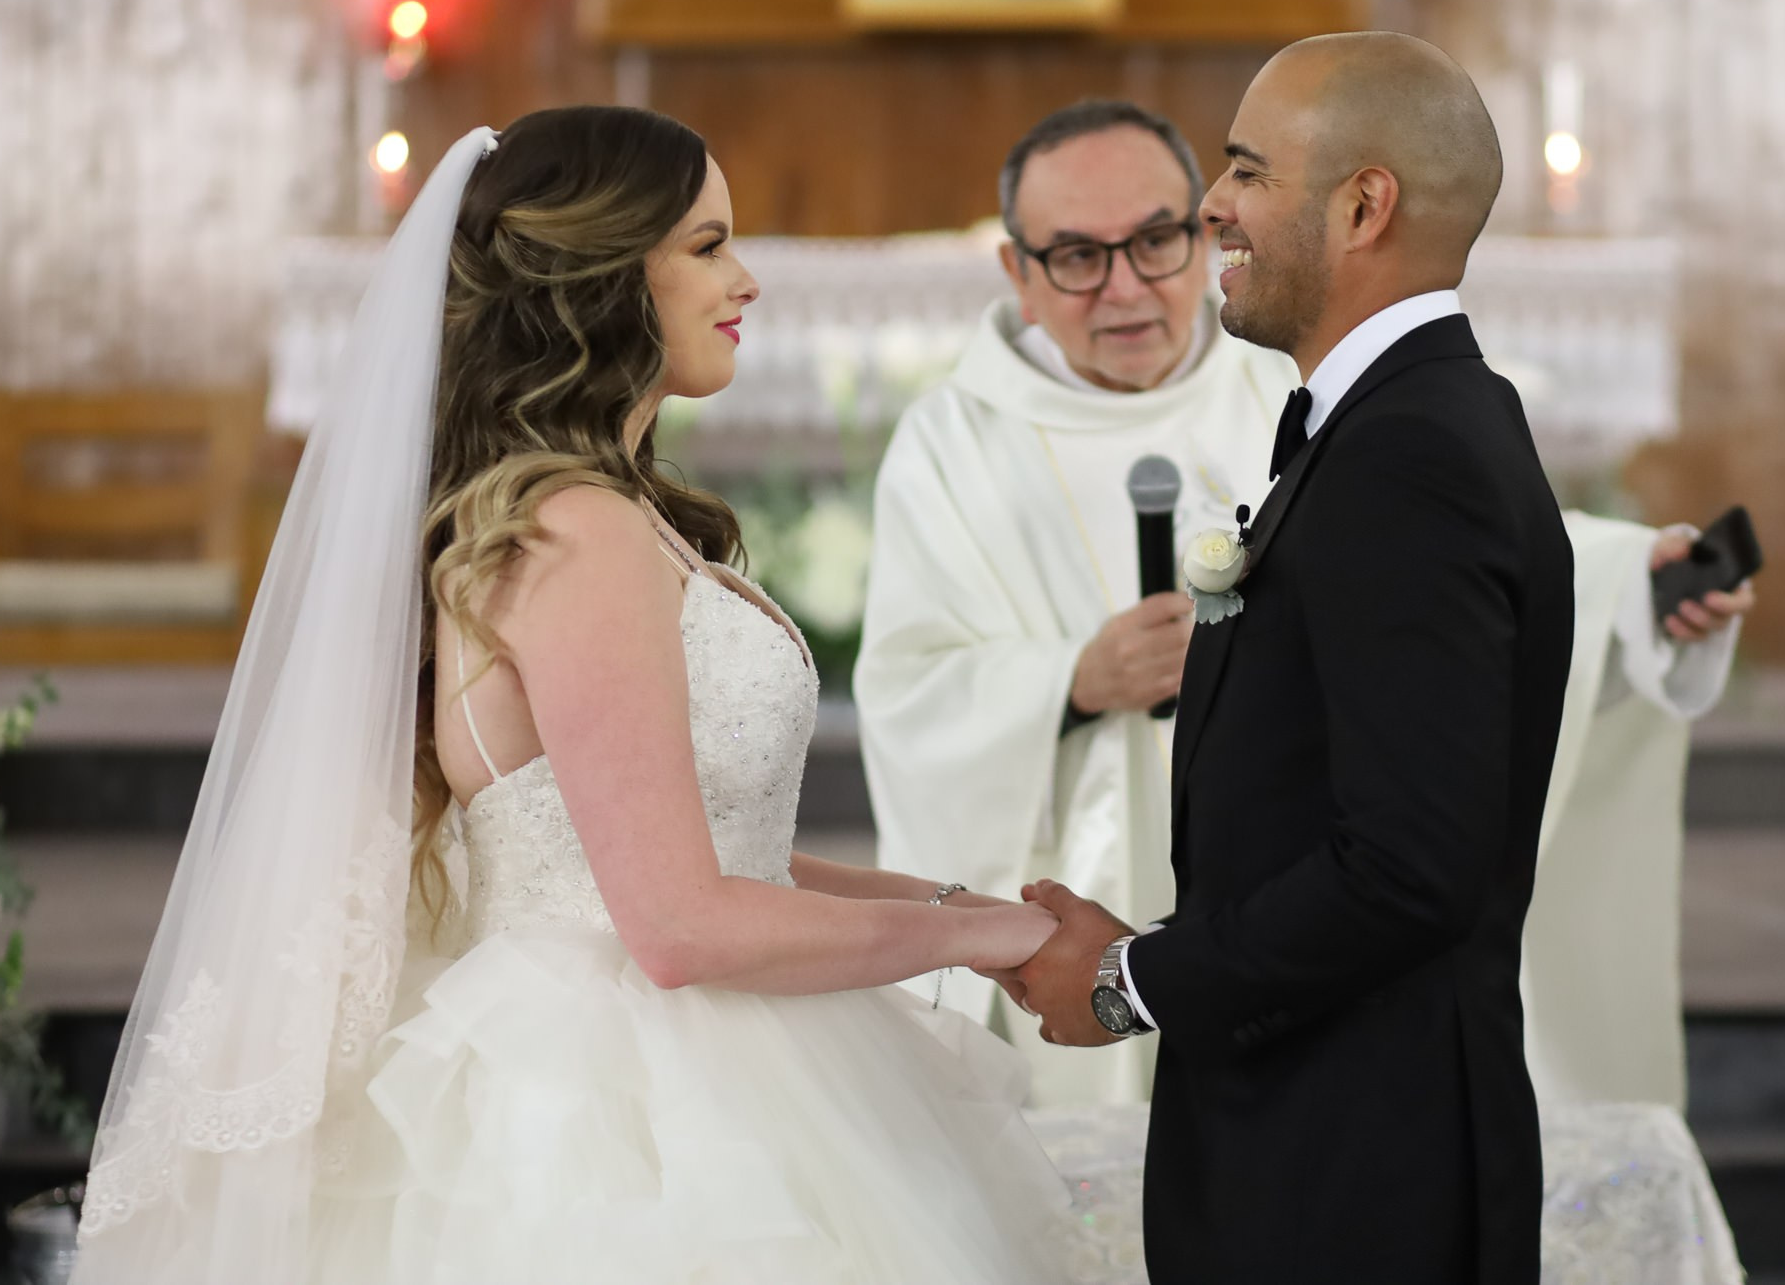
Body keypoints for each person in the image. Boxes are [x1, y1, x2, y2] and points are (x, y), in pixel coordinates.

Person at [73, 108, 1071, 1284]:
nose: (745, 279)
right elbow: (680, 923)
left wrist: (961, 905)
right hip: (620, 1108)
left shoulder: (586, 510)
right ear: (604, 276)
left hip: (650, 1046)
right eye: (707, 245)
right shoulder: (579, 529)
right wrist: (977, 935)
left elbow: (711, 848)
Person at [856, 98, 1749, 1109]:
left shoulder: (1294, 375)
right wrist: (1070, 679)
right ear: (1017, 271)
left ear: (1206, 231)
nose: (1125, 287)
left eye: (1154, 241)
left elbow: (1441, 553)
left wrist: (1634, 582)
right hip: (1075, 892)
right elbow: (905, 690)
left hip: (1290, 894)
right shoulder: (953, 443)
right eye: (1075, 257)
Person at [1012, 33, 1577, 1284]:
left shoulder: (1408, 453)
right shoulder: (1403, 421)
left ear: (1363, 206)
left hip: (1357, 1177)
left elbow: (1407, 866)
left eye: (1249, 171)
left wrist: (1128, 980)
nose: (1213, 205)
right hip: (1326, 1138)